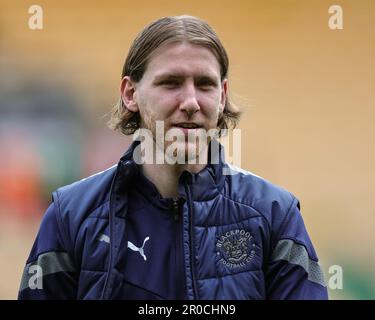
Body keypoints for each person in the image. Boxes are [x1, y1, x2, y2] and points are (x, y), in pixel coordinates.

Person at [18, 15, 328, 300]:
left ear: (222, 96)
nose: (191, 101)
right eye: (171, 83)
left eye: (205, 84)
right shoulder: (71, 216)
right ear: (130, 94)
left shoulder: (275, 215)